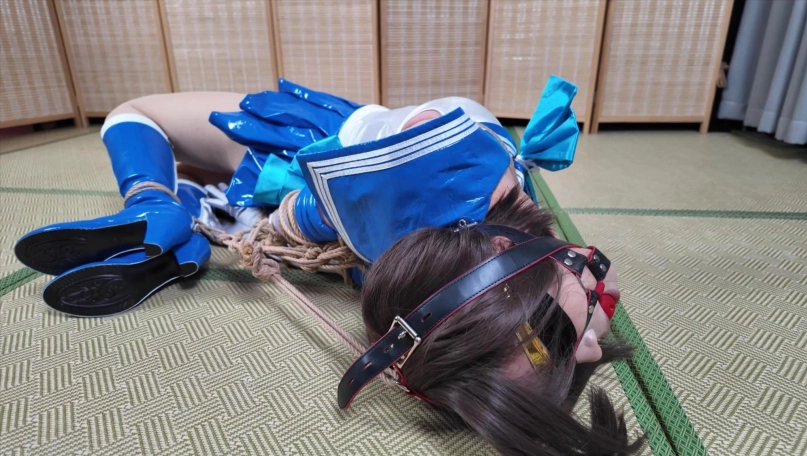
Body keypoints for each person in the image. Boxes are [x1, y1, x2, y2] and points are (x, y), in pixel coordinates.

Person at [14, 77, 642, 454]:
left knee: (134, 115)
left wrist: (287, 224)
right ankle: (187, 223)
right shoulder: (441, 217)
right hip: (309, 165)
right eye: (550, 339)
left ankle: (159, 210)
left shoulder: (469, 191)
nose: (589, 345)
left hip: (302, 169)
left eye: (557, 347)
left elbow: (316, 215)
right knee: (189, 160)